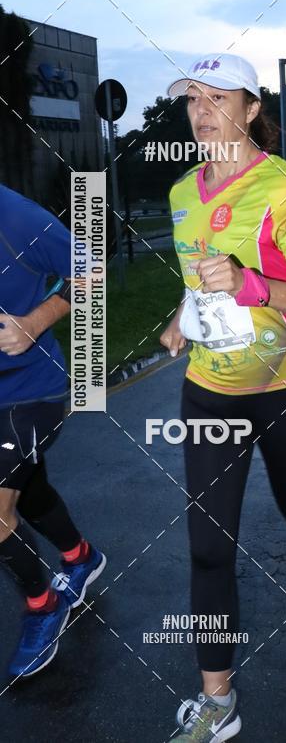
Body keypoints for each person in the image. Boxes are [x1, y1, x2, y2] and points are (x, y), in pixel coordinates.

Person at [160, 53, 286, 742]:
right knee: (209, 547)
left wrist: (250, 284)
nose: (202, 111)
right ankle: (218, 700)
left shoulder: (284, 187)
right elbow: (198, 281)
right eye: (192, 99)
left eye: (218, 98)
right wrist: (182, 316)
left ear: (252, 108)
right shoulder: (182, 192)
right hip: (210, 392)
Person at [0, 186, 105, 679]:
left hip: (29, 392)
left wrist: (34, 322)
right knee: (27, 487)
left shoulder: (16, 217)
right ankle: (80, 558)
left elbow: (92, 270)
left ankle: (44, 607)